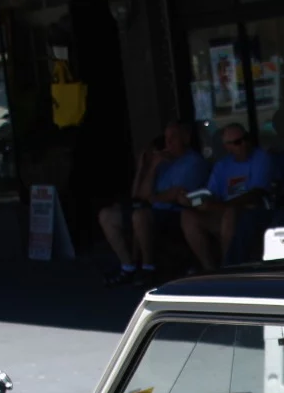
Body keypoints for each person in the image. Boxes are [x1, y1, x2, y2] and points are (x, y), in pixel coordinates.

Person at [98, 120, 210, 283]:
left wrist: (154, 198)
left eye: (174, 138)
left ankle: (148, 268)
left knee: (140, 215)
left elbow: (176, 194)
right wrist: (149, 167)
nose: (168, 143)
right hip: (153, 209)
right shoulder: (163, 162)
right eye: (166, 138)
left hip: (176, 213)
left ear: (186, 138)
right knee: (107, 215)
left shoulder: (193, 162)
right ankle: (127, 266)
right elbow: (140, 195)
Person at [181, 123, 274, 273]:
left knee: (230, 213)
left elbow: (257, 193)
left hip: (252, 213)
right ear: (227, 146)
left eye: (245, 139)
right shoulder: (222, 166)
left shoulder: (261, 157)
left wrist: (223, 206)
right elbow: (211, 193)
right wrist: (193, 201)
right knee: (187, 215)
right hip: (223, 212)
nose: (243, 144)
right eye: (237, 142)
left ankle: (228, 269)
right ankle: (209, 269)